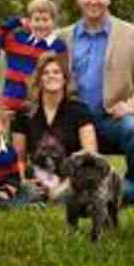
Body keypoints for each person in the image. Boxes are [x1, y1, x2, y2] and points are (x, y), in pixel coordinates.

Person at [58, 0, 134, 203]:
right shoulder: (62, 37)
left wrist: (131, 105)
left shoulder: (131, 33)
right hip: (75, 121)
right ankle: (60, 186)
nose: (94, 1)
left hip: (111, 119)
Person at [10, 52, 98, 201]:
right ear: (39, 79)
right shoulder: (24, 113)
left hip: (72, 178)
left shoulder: (80, 110)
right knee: (29, 193)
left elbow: (90, 155)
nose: (51, 76)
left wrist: (65, 186)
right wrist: (23, 180)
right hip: (37, 177)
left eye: (56, 72)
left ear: (65, 78)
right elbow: (19, 159)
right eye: (45, 73)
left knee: (66, 195)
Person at [0, 0, 67, 112]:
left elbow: (62, 77)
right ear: (29, 21)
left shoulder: (57, 46)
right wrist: (17, 21)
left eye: (45, 20)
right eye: (37, 20)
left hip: (36, 107)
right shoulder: (17, 38)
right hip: (8, 105)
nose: (41, 24)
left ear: (53, 22)